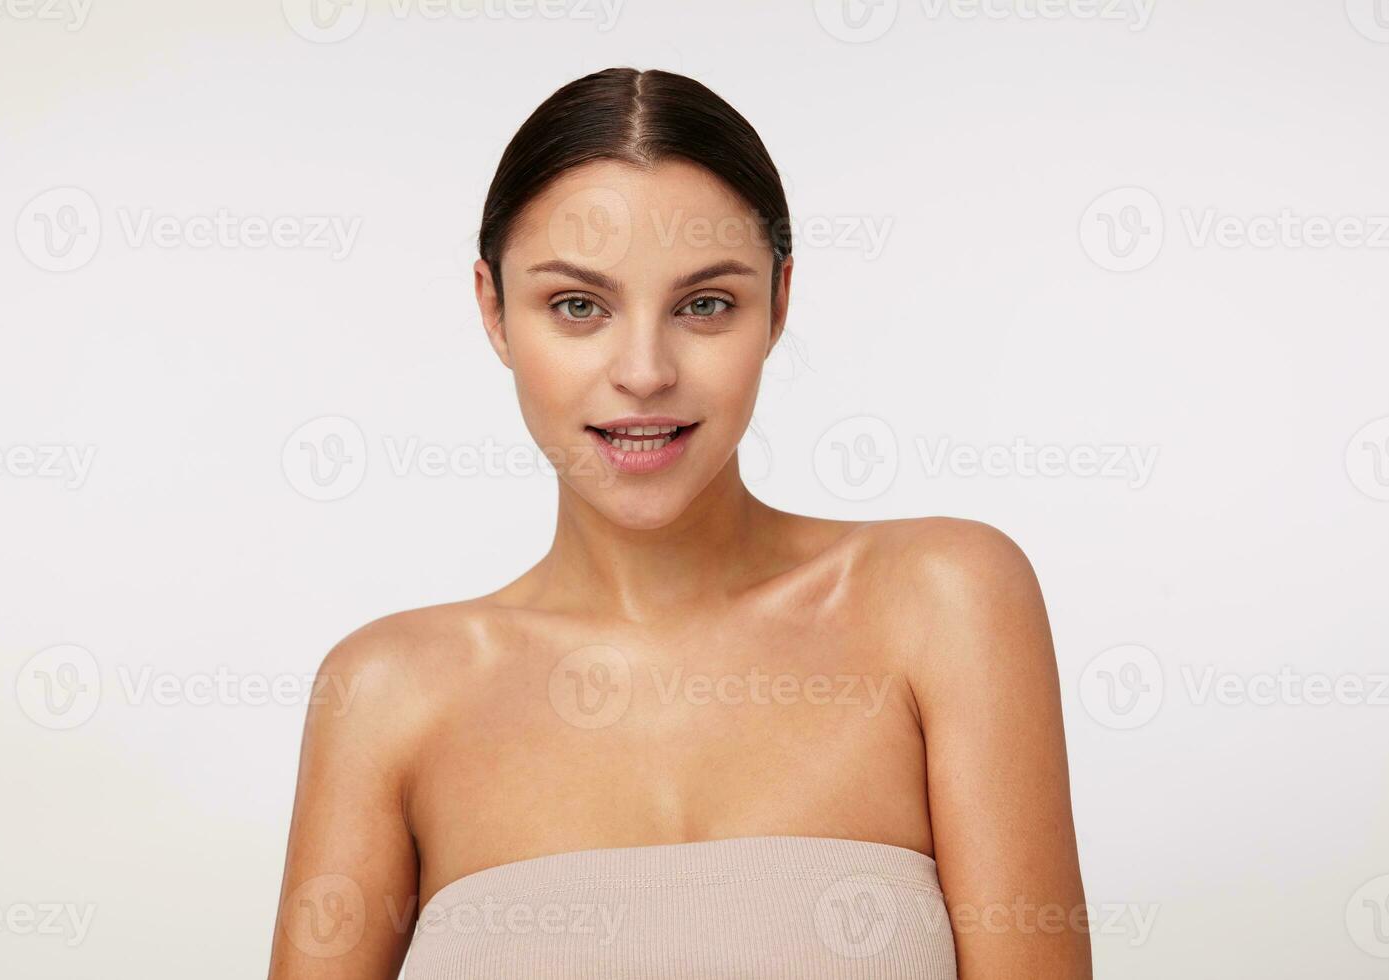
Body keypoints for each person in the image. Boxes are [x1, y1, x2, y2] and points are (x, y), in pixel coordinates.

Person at [267, 66, 1091, 979]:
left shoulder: (944, 599)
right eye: (578, 306)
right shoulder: (387, 693)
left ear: (780, 303)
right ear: (493, 311)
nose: (646, 372)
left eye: (705, 304)